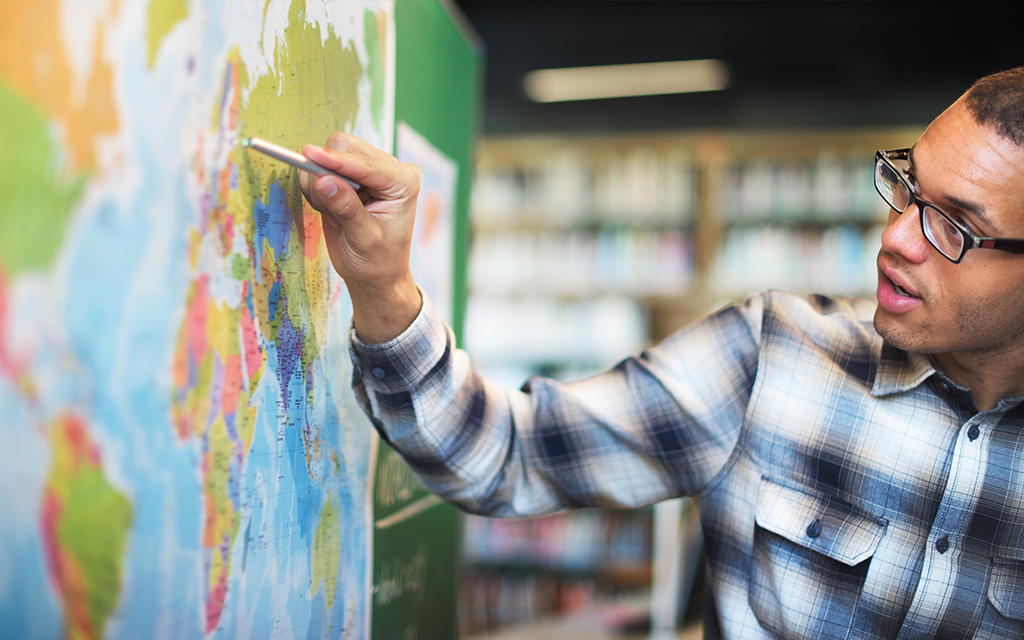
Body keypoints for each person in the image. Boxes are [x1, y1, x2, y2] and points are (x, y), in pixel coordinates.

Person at [298, 66, 1024, 639]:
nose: (896, 238)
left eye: (955, 226)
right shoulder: (774, 355)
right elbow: (506, 454)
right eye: (907, 187)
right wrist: (386, 290)